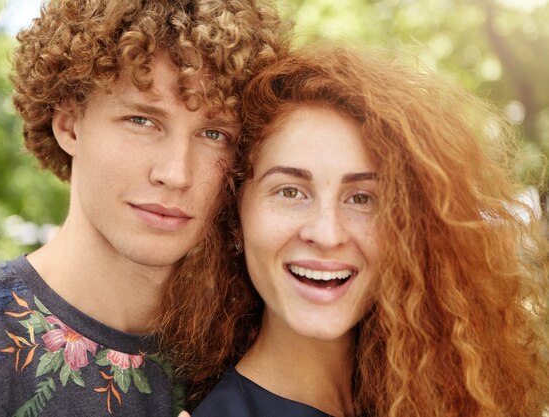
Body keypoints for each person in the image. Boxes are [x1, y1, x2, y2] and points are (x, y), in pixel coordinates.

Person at [0, 1, 290, 416]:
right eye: (142, 120)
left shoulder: (256, 342)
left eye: (213, 133)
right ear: (68, 123)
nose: (176, 173)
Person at [158, 45, 549, 416]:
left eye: (362, 198)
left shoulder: (426, 387)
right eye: (290, 191)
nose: (327, 234)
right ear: (236, 220)